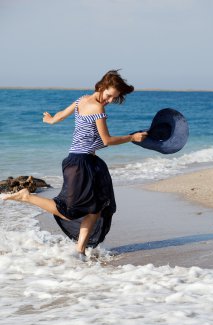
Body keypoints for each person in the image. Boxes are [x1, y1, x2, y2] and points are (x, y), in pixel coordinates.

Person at [4, 70, 147, 260]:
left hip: (80, 161)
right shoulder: (98, 109)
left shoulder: (81, 100)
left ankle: (80, 251)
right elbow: (106, 140)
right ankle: (27, 197)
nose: (110, 100)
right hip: (82, 164)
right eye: (109, 95)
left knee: (96, 207)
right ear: (102, 86)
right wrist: (131, 138)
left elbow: (60, 117)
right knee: (69, 212)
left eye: (115, 98)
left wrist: (49, 120)